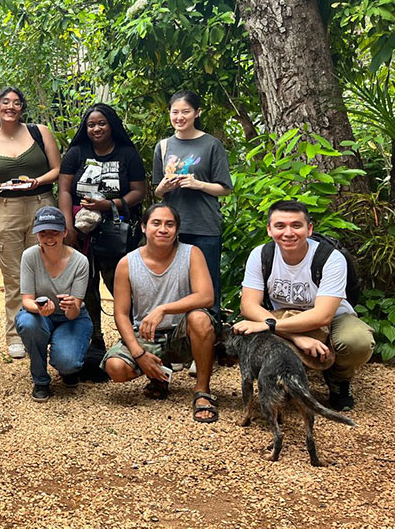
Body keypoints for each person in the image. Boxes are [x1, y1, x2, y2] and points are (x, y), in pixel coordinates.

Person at [234, 200, 375, 411]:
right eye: (280, 226)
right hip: (282, 316)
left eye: (296, 225)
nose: (288, 232)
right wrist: (295, 336)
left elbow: (322, 316)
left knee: (357, 341)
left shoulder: (330, 258)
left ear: (309, 229)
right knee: (246, 330)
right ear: (269, 230)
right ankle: (285, 376)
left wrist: (270, 326)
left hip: (333, 316)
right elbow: (248, 306)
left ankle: (338, 379)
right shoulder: (261, 254)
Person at [102, 204, 219, 423]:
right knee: (116, 368)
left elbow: (206, 297)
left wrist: (163, 308)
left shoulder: (191, 253)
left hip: (183, 334)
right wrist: (138, 354)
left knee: (200, 318)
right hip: (147, 336)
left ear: (177, 230)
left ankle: (202, 391)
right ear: (144, 228)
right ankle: (158, 376)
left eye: (170, 224)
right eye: (156, 223)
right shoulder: (127, 263)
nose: (163, 229)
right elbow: (120, 314)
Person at [58, 104, 146, 372]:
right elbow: (63, 189)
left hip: (115, 232)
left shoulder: (127, 154)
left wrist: (111, 205)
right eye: (91, 125)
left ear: (112, 125)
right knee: (84, 286)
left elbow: (139, 191)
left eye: (102, 124)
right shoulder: (76, 153)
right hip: (80, 232)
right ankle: (94, 339)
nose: (96, 129)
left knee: (117, 284)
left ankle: (131, 339)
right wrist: (67, 226)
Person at [0, 87, 61, 359]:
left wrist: (38, 180)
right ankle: (15, 335)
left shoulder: (40, 132)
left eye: (16, 103)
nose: (10, 107)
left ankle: (51, 329)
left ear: (22, 107)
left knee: (48, 270)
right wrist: (5, 185)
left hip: (41, 204)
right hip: (7, 208)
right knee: (13, 275)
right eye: (5, 103)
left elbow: (57, 170)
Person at [153, 91, 232, 311]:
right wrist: (165, 187)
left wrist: (199, 185)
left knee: (207, 286)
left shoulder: (211, 144)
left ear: (197, 113)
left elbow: (224, 189)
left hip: (204, 225)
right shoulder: (163, 146)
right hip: (171, 227)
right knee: (173, 284)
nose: (179, 117)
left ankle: (209, 330)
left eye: (185, 111)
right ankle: (175, 335)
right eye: (174, 111)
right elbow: (157, 191)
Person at [14, 207, 92, 401]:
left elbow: (74, 312)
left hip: (71, 318)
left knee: (67, 361)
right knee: (27, 322)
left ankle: (68, 367)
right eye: (43, 233)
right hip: (41, 315)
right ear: (36, 234)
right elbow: (27, 300)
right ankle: (40, 379)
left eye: (54, 232)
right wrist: (41, 309)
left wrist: (72, 305)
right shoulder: (29, 256)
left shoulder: (80, 261)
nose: (49, 238)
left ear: (65, 232)